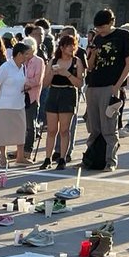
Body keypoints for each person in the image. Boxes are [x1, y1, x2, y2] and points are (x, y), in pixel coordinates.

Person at [85, 7, 129, 171]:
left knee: (109, 126)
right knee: (93, 126)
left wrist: (117, 85)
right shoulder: (97, 38)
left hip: (110, 86)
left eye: (103, 27)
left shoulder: (123, 36)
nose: (100, 30)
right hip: (93, 84)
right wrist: (92, 53)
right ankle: (90, 158)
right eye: (98, 28)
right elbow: (90, 66)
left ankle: (110, 161)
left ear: (111, 23)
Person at [41, 34, 84, 169]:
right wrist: (52, 74)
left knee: (65, 130)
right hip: (54, 93)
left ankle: (62, 158)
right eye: (68, 46)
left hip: (68, 93)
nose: (72, 48)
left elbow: (79, 83)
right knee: (52, 130)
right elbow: (45, 84)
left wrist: (67, 74)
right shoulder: (53, 62)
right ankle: (47, 158)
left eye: (73, 45)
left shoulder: (77, 62)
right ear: (62, 47)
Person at [0, 42, 30, 167]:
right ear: (19, 54)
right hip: (5, 104)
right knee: (3, 132)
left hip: (19, 104)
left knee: (20, 131)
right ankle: (3, 157)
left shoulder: (23, 67)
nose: (27, 57)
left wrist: (25, 87)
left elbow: (21, 81)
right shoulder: (6, 66)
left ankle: (20, 157)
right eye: (26, 54)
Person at [20, 37, 46, 155]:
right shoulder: (20, 61)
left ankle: (28, 150)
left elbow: (37, 80)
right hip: (19, 96)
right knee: (21, 125)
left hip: (32, 96)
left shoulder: (38, 61)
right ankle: (19, 149)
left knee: (30, 125)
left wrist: (24, 84)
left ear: (33, 48)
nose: (26, 51)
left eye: (28, 48)